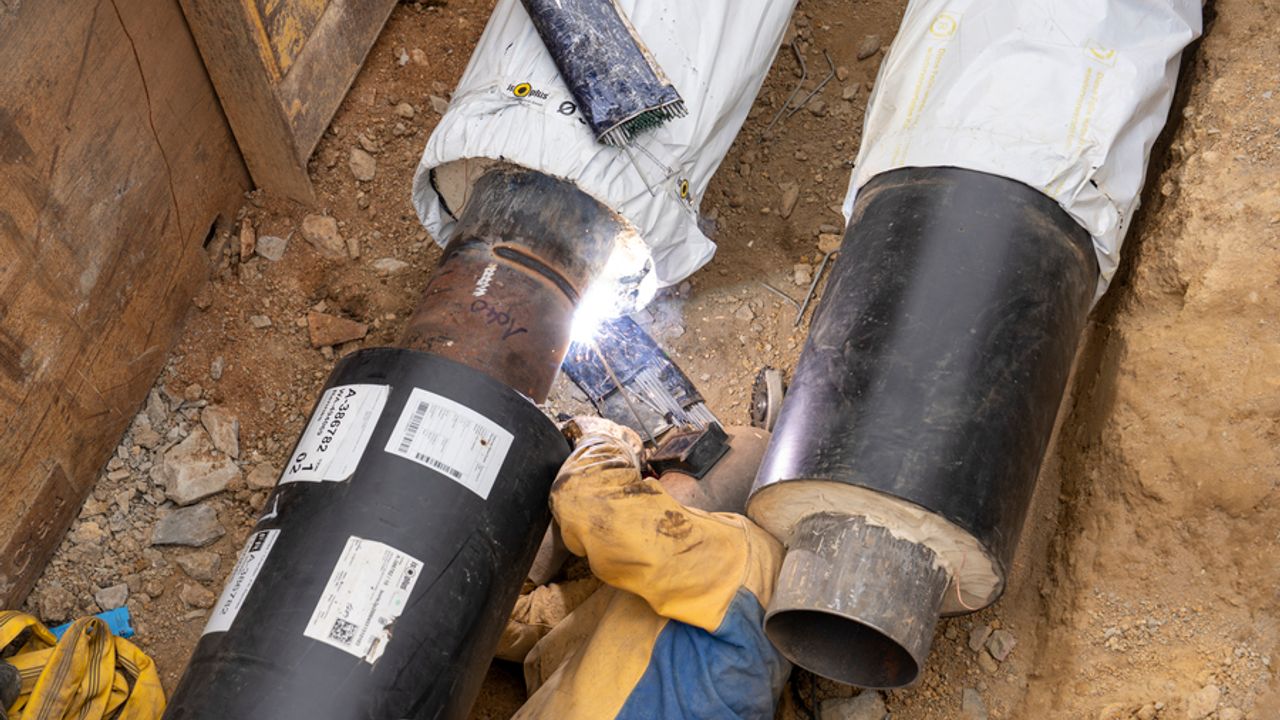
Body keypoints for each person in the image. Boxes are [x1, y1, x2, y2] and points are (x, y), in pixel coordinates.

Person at [504, 419, 789, 719]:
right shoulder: (697, 600)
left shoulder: (745, 560)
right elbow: (512, 623)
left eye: (668, 468)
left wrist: (606, 440)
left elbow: (586, 498)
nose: (651, 479)